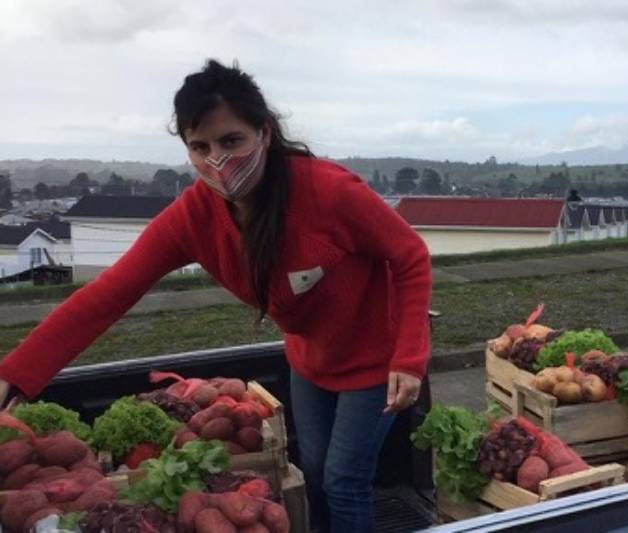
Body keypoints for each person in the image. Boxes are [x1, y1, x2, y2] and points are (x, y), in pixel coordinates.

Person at [0, 59, 432, 533]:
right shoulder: (192, 218)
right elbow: (108, 295)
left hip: (375, 360)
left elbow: (410, 255)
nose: (218, 162)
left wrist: (408, 357)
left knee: (344, 480)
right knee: (311, 471)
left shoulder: (328, 192)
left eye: (232, 141)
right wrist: (14, 374)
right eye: (200, 147)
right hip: (310, 359)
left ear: (264, 133)